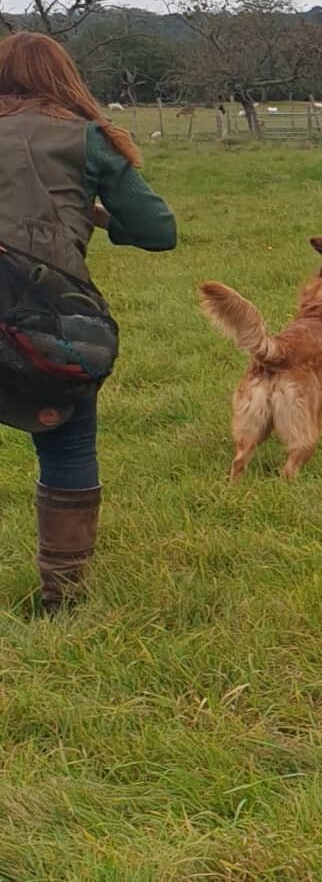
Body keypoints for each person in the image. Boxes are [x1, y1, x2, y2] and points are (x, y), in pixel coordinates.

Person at [0, 32, 176, 612]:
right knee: (67, 448)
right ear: (64, 77)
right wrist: (98, 218)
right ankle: (63, 598)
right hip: (45, 321)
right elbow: (158, 231)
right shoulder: (90, 140)